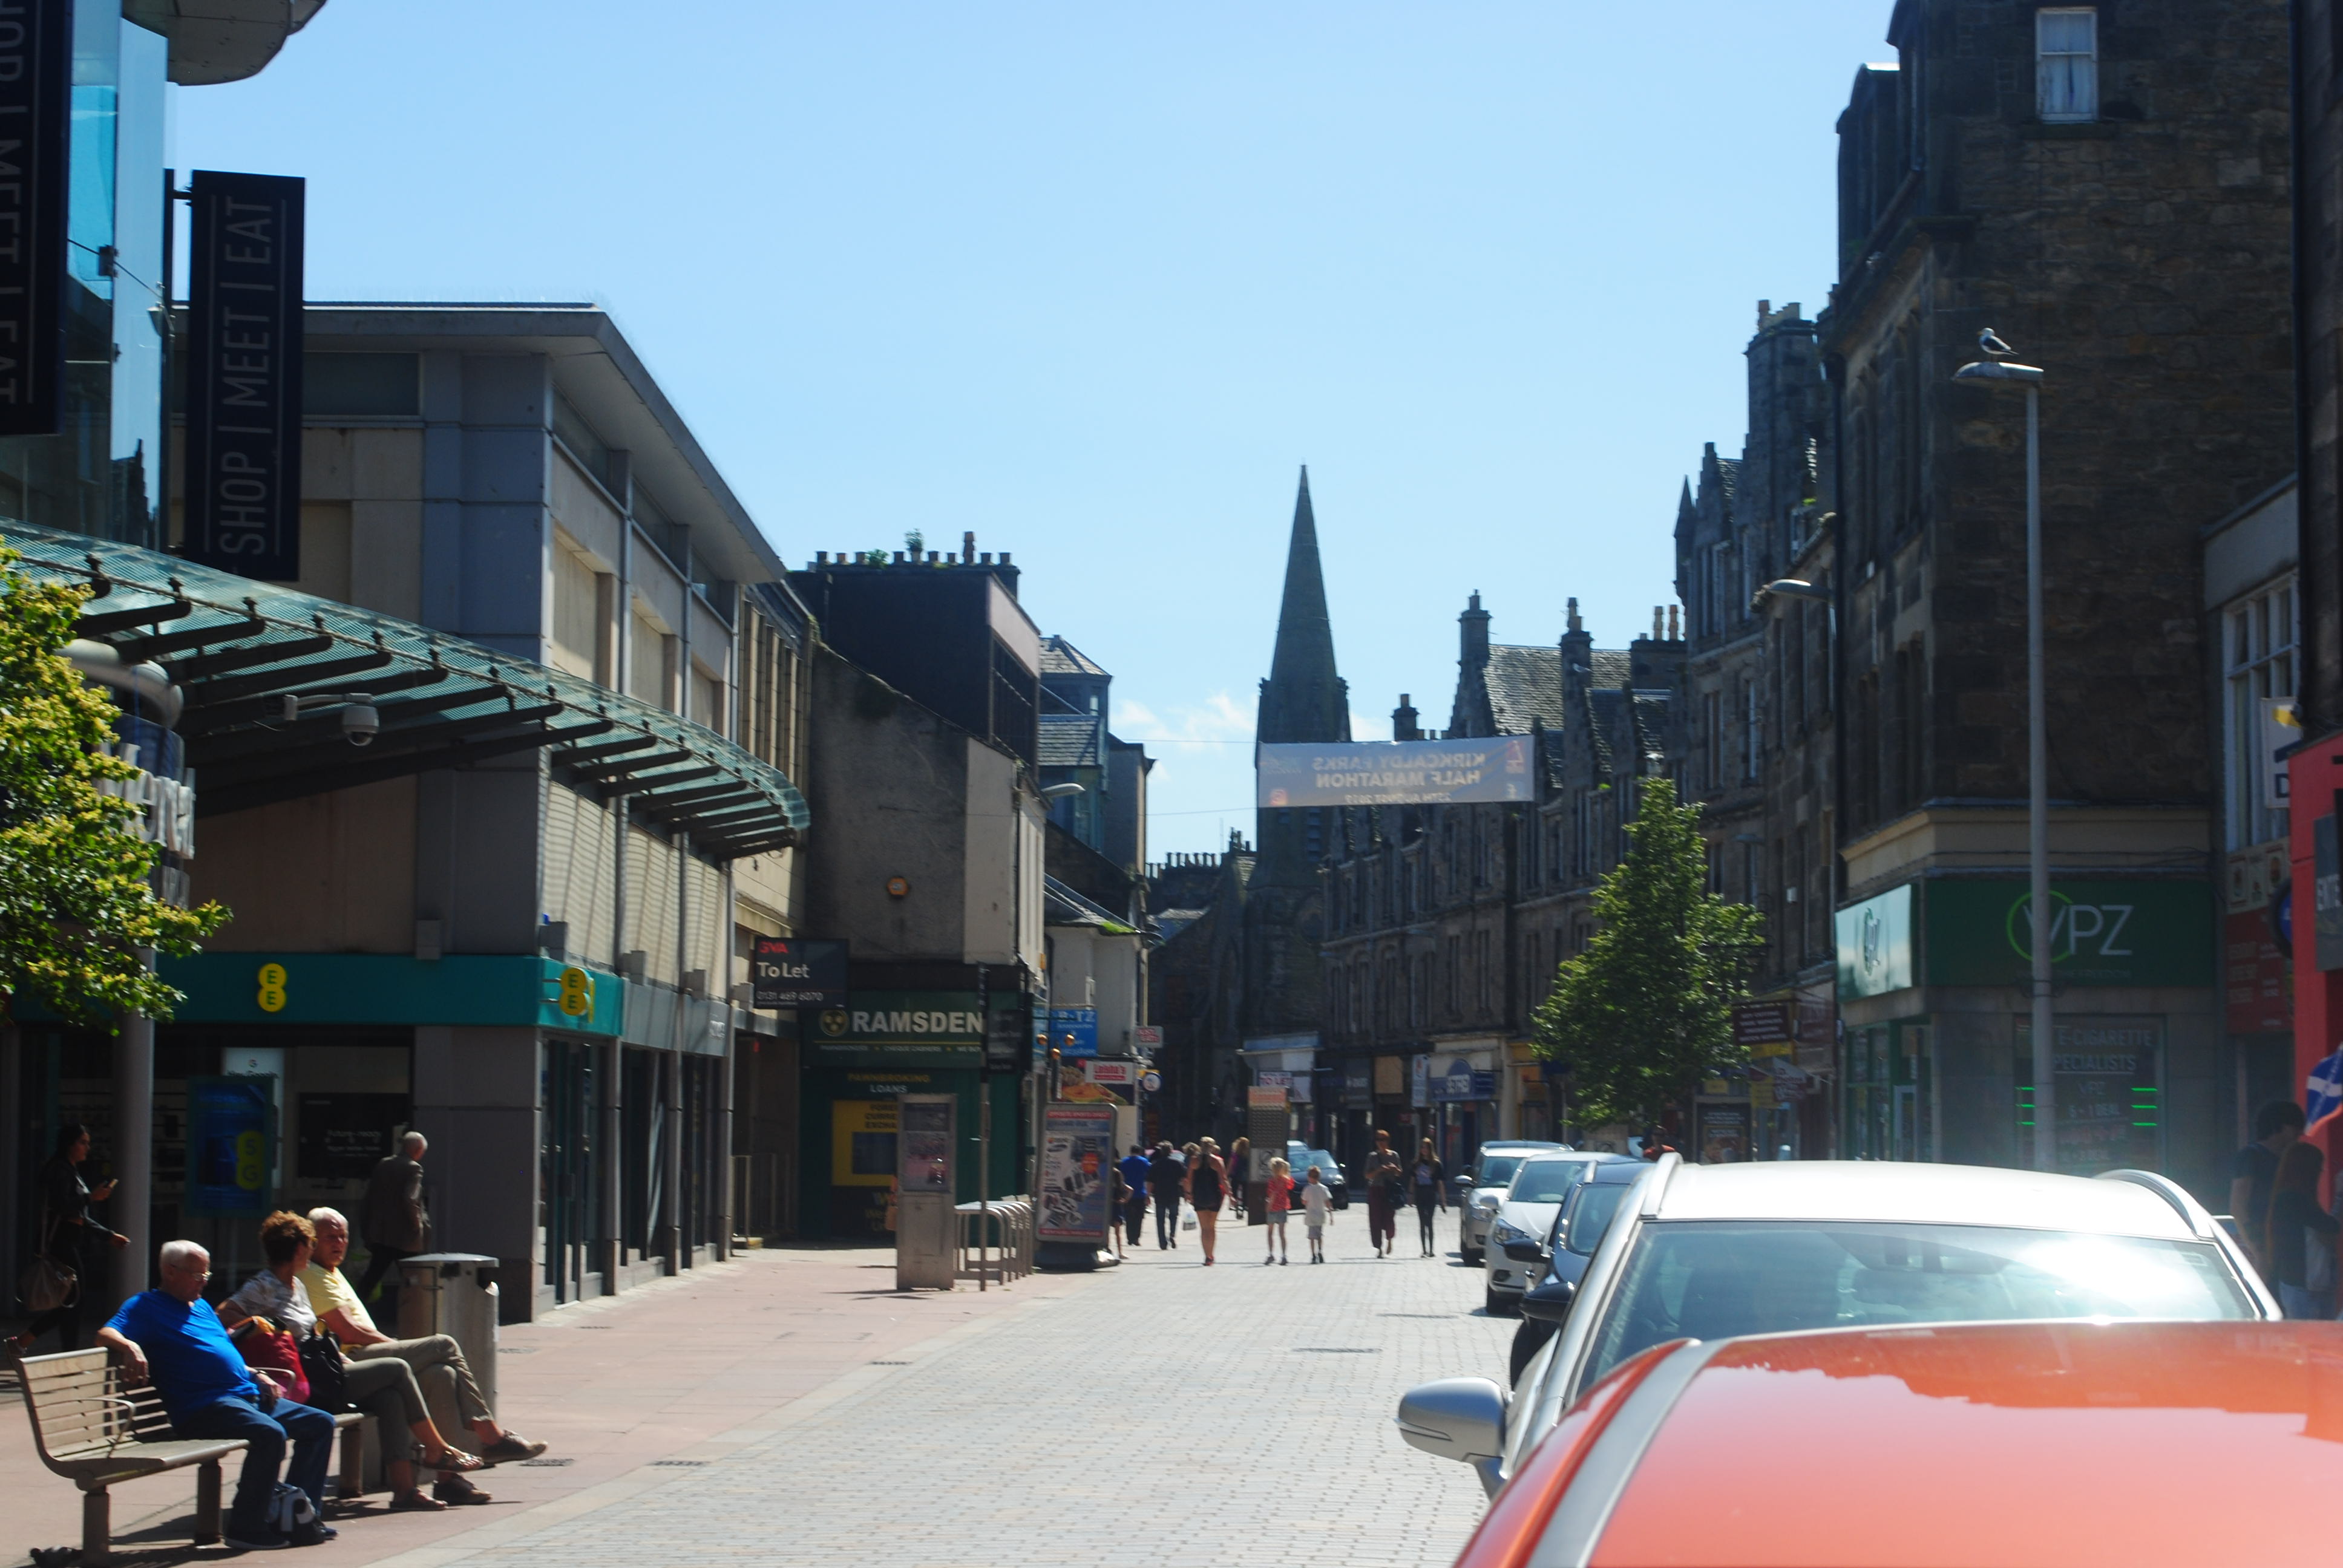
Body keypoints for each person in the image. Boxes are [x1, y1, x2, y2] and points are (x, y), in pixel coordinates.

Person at [221, 1210, 483, 1512]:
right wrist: (263, 1328)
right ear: (297, 1249)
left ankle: (404, 1491)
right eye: (310, 1243)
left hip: (323, 1369)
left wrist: (337, 1356)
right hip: (305, 1381)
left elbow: (315, 1334)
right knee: (397, 1368)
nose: (314, 1249)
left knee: (389, 1396)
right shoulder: (263, 1285)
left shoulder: (298, 1284)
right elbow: (224, 1316)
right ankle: (436, 1449)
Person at [97, 1240, 338, 1551]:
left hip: (244, 1395)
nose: (204, 1282)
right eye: (196, 1275)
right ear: (170, 1272)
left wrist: (255, 1373)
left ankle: (300, 1517)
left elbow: (223, 1352)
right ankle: (246, 1528)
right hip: (204, 1406)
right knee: (270, 1435)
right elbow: (105, 1332)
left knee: (320, 1423)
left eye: (207, 1275)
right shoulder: (144, 1306)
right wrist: (130, 1346)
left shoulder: (200, 1307)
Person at [303, 1206, 546, 1502]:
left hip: (367, 1354)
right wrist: (393, 1344)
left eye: (343, 1237)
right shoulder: (313, 1274)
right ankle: (490, 1436)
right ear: (312, 1240)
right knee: (443, 1345)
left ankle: (447, 1481)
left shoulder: (333, 1272)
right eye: (330, 1237)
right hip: (352, 1361)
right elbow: (348, 1333)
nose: (339, 1243)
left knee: (441, 1375)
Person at [10, 1123, 126, 1353]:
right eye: (83, 1142)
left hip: (69, 1241)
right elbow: (63, 1207)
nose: (87, 1148)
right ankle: (27, 1342)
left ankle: (40, 1345)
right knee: (74, 1300)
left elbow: (79, 1217)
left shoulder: (70, 1170)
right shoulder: (59, 1170)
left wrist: (108, 1235)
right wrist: (91, 1198)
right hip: (59, 1243)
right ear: (69, 1144)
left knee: (72, 1301)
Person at [358, 1130, 431, 1318]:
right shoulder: (414, 1168)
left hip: (382, 1235)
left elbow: (370, 1198)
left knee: (372, 1276)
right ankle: (417, 1316)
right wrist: (417, 1225)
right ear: (417, 1150)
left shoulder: (384, 1164)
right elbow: (410, 1198)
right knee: (412, 1279)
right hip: (405, 1237)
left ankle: (356, 1311)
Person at [2266, 1142, 2341, 1320]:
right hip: (2304, 1284)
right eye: (2318, 1169)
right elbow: (2330, 1226)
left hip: (2302, 1283)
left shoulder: (2286, 1197)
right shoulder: (2293, 1199)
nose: (2321, 1174)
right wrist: (2340, 1197)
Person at [2230, 1099, 2305, 1275]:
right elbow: (2238, 1206)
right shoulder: (2251, 1156)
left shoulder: (2292, 1157)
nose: (2300, 1133)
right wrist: (2257, 1247)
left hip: (2290, 1243)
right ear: (2282, 1126)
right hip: (2263, 1240)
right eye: (2296, 1127)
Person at [1184, 1138, 1228, 1265]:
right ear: (1213, 1147)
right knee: (1212, 1227)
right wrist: (1231, 1196)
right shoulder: (1217, 1161)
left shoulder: (1194, 1160)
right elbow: (1223, 1180)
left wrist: (1188, 1194)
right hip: (1215, 1197)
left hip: (1199, 1197)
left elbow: (1189, 1179)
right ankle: (1211, 1255)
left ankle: (1207, 1256)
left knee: (1204, 1228)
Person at [1362, 1131, 1403, 1259]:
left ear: (1388, 1141)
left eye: (1383, 1139)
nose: (1381, 1142)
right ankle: (1379, 1248)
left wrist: (1394, 1169)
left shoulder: (1394, 1155)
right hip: (1375, 1189)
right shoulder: (1372, 1157)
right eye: (1378, 1140)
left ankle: (1390, 1240)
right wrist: (1379, 1170)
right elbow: (1367, 1175)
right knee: (1375, 1219)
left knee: (1389, 1217)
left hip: (1389, 1190)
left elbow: (1399, 1173)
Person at [1411, 1138, 1449, 1258]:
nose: (1424, 1150)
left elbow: (1440, 1183)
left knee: (1430, 1222)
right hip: (1420, 1194)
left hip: (1431, 1194)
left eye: (1426, 1147)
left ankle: (1431, 1249)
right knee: (1422, 1222)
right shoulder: (1416, 1164)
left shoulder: (1437, 1164)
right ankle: (1424, 1250)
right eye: (1422, 1147)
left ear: (1430, 1149)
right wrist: (1410, 1195)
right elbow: (1412, 1181)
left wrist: (1443, 1201)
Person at [1147, 1142, 1184, 1249]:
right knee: (1174, 1216)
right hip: (1174, 1194)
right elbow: (1183, 1180)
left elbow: (1150, 1182)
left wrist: (1148, 1195)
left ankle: (1163, 1243)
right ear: (1171, 1151)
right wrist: (1187, 1193)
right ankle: (1172, 1234)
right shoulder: (1177, 1164)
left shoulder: (1155, 1164)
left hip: (1160, 1194)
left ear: (1161, 1151)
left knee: (1160, 1220)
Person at [1262, 1156, 1296, 1265]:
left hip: (1273, 1209)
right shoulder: (1287, 1180)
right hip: (1283, 1208)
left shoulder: (1272, 1181)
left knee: (1270, 1233)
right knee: (1282, 1233)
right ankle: (1284, 1256)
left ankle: (1271, 1254)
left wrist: (1268, 1207)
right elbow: (1291, 1186)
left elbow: (1272, 1195)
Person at [1118, 1145, 1152, 1249]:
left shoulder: (1124, 1161)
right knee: (1139, 1217)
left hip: (1127, 1193)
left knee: (1128, 1216)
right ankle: (1136, 1238)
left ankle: (1129, 1238)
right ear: (1140, 1152)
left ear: (1130, 1151)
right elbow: (1149, 1174)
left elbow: (1120, 1175)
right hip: (1141, 1193)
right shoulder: (1144, 1162)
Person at [1300, 1165, 1335, 1263]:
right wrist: (1331, 1215)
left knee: (1311, 1237)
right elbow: (1328, 1202)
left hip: (1311, 1215)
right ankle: (1320, 1251)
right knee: (1319, 1235)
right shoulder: (1324, 1188)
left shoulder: (1307, 1189)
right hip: (1321, 1214)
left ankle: (1313, 1255)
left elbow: (1304, 1201)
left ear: (1310, 1177)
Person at [1225, 1136, 1251, 1220]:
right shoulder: (1249, 1154)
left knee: (1235, 1193)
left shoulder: (1235, 1154)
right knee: (1245, 1194)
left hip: (1236, 1175)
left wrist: (1226, 1175)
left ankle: (1237, 1210)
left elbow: (1230, 1166)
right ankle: (1243, 1210)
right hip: (1247, 1176)